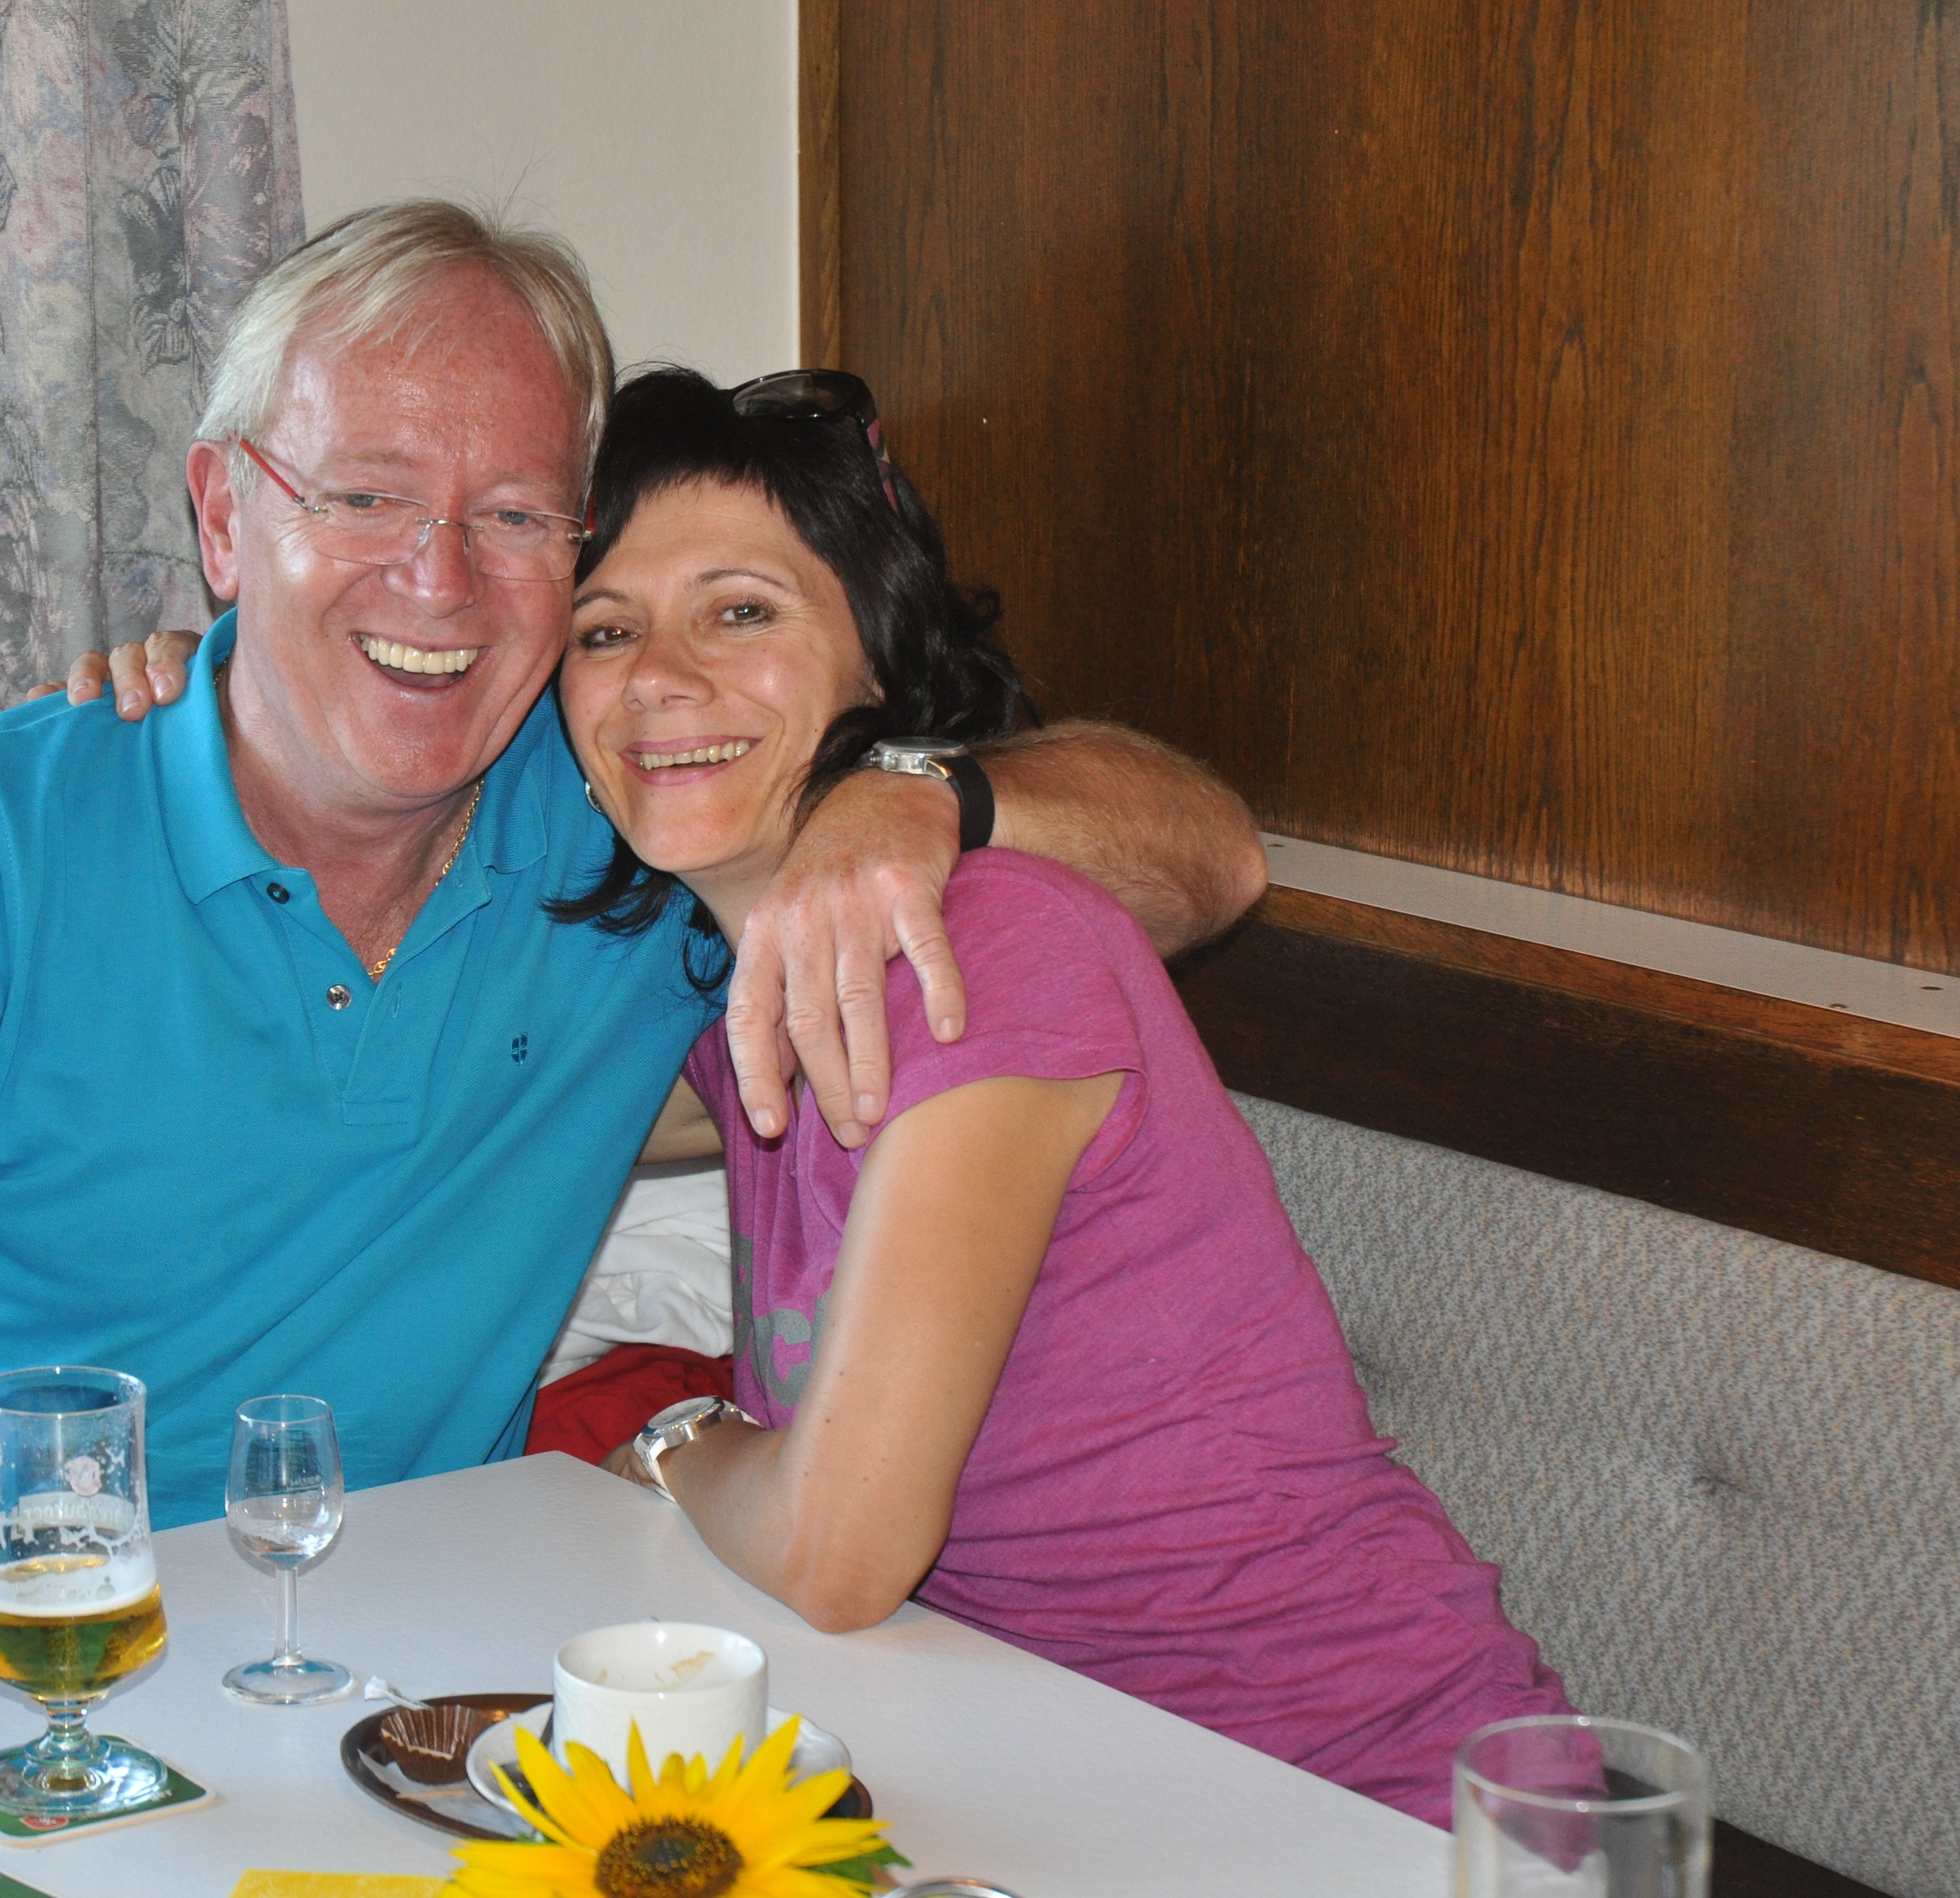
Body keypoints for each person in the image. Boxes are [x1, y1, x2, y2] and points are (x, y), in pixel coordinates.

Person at [0, 201, 1267, 1835]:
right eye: (362, 494)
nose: (439, 580)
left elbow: (1205, 858)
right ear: (223, 515)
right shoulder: (2, 832)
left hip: (313, 1699)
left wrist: (917, 801)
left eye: (516, 515)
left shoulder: (637, 834)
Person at [561, 366, 1569, 1827]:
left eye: (741, 611)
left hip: (1357, 1805)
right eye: (604, 630)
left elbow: (840, 1554)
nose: (659, 674)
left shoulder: (988, 945)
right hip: (1052, 1773)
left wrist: (676, 1437)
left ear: (877, 663)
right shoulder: (747, 1025)